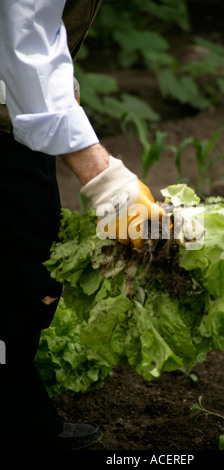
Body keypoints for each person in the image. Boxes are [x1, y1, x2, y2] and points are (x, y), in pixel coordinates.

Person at [0, 0, 164, 450]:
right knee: (18, 267)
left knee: (28, 247)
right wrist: (104, 178)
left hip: (12, 118)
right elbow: (22, 38)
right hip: (7, 116)